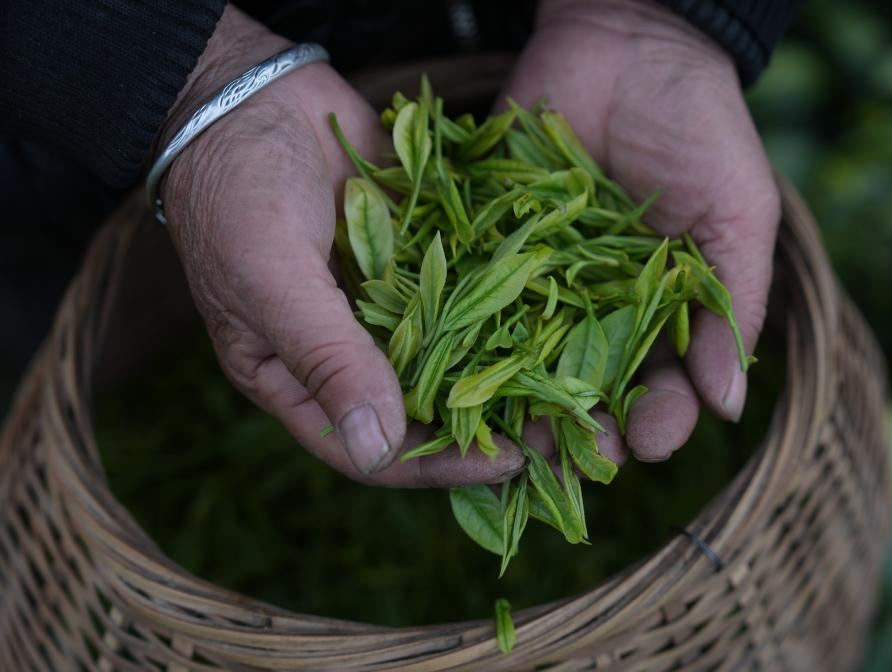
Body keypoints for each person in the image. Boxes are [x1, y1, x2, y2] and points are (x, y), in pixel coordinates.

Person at [0, 0, 799, 486]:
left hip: (531, 36)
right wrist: (171, 71)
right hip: (67, 144)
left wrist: (661, 14)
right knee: (71, 356)